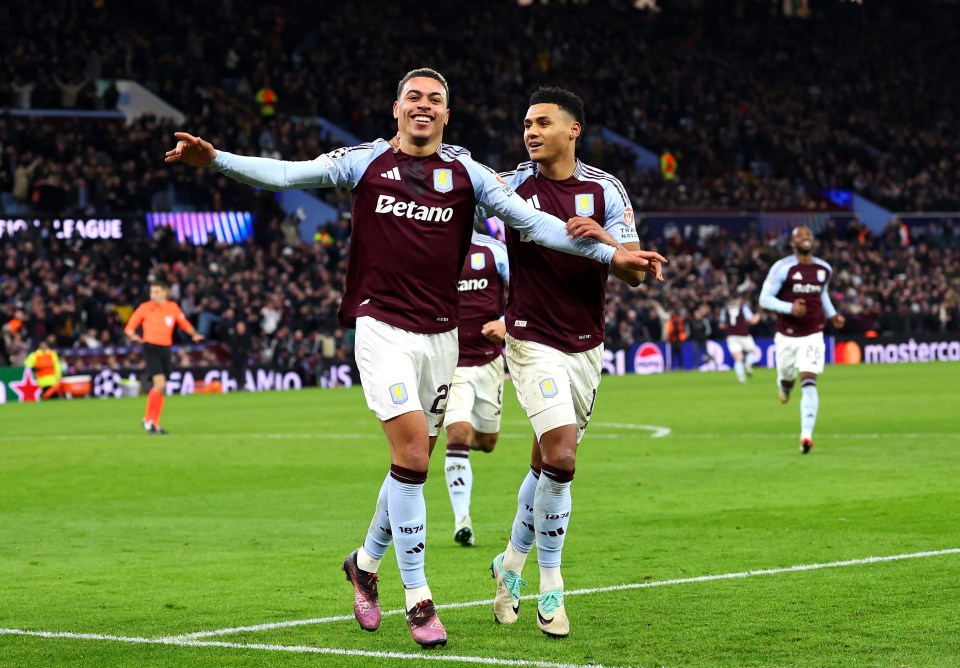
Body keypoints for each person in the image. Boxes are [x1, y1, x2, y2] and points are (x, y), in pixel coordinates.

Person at [164, 68, 663, 650]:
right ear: (395, 107)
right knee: (412, 456)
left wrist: (609, 245)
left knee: (414, 459)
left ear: (446, 115)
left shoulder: (467, 174)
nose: (423, 107)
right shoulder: (363, 162)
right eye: (414, 98)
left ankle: (365, 564)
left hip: (441, 336)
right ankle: (419, 599)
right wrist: (218, 159)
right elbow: (285, 175)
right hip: (381, 328)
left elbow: (537, 225)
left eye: (435, 100)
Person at [483, 87, 664, 639]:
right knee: (562, 457)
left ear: (573, 130)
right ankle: (551, 585)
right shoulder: (512, 185)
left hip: (586, 344)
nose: (531, 131)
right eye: (526, 124)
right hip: (530, 337)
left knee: (544, 463)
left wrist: (605, 237)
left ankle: (509, 564)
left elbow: (633, 272)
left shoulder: (604, 189)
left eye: (542, 122)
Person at [444, 229, 509, 548]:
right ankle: (462, 521)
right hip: (450, 364)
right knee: (457, 434)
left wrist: (505, 323)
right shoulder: (433, 246)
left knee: (486, 442)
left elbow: (530, 291)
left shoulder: (494, 251)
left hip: (489, 363)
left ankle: (462, 451)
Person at [759, 226, 845, 453]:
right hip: (787, 336)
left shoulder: (823, 269)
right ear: (792, 243)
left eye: (809, 235)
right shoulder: (782, 268)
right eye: (800, 236)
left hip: (814, 334)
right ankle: (785, 388)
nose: (806, 238)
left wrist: (832, 314)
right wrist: (789, 307)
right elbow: (764, 299)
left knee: (809, 380)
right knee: (788, 380)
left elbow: (822, 294)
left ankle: (806, 435)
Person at [124, 280, 204, 434]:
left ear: (165, 293)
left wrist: (194, 334)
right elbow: (130, 326)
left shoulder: (172, 308)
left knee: (163, 388)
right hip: (150, 348)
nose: (152, 295)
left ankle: (154, 422)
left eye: (156, 292)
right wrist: (133, 335)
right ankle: (148, 419)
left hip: (165, 349)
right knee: (159, 384)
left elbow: (183, 323)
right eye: (151, 292)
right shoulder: (145, 308)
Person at [719, 295, 760, 383]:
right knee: (752, 351)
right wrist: (758, 315)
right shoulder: (743, 307)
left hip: (731, 336)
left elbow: (721, 325)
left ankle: (741, 378)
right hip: (744, 334)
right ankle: (748, 363)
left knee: (738, 358)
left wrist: (730, 326)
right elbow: (752, 321)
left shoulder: (725, 309)